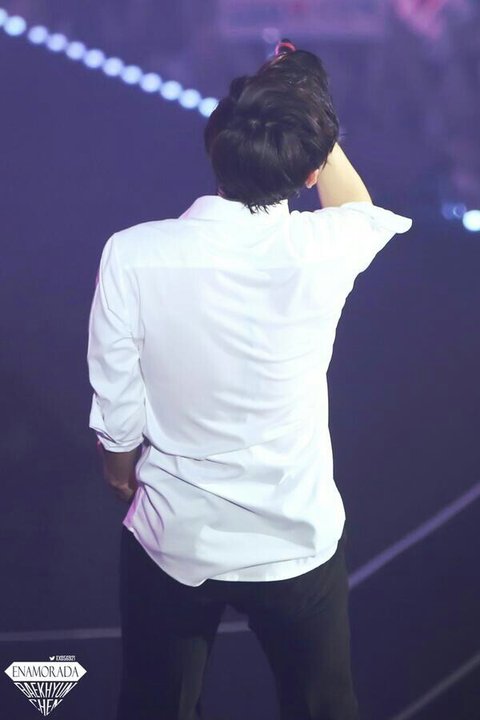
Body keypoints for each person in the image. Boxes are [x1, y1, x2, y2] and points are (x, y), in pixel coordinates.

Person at [87, 41, 412, 720]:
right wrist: (305, 105)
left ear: (216, 143)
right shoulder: (323, 248)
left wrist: (120, 469)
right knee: (324, 707)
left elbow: (117, 399)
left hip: (173, 534)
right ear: (312, 168)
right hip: (295, 536)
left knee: (154, 706)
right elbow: (355, 205)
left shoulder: (134, 253)